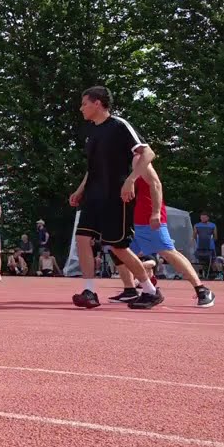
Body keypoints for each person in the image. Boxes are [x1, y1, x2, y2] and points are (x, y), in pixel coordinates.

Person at [68, 86, 158, 309]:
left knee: (118, 247)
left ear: (97, 103)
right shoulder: (91, 132)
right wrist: (80, 190)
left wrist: (131, 180)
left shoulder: (119, 125)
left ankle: (150, 290)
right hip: (93, 195)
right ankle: (90, 291)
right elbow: (93, 168)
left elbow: (148, 152)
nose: (81, 108)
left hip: (117, 195)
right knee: (82, 238)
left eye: (84, 103)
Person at [118, 166, 215, 308]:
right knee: (126, 252)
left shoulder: (140, 157)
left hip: (150, 215)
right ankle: (146, 291)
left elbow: (156, 184)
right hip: (139, 218)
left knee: (167, 251)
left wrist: (156, 212)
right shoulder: (127, 161)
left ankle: (201, 289)